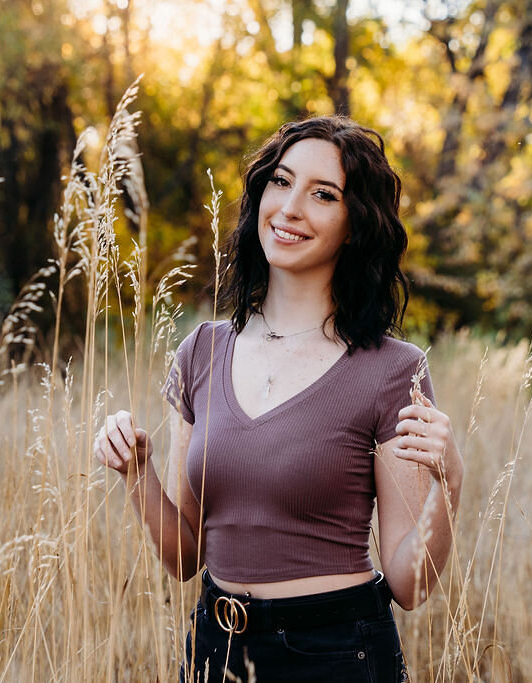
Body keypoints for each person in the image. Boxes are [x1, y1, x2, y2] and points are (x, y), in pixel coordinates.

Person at [94, 115, 463, 683]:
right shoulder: (202, 351)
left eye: (322, 194)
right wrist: (136, 472)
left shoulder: (394, 370)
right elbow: (184, 559)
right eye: (280, 182)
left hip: (336, 653)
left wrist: (450, 482)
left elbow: (409, 585)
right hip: (215, 646)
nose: (290, 207)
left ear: (354, 223)